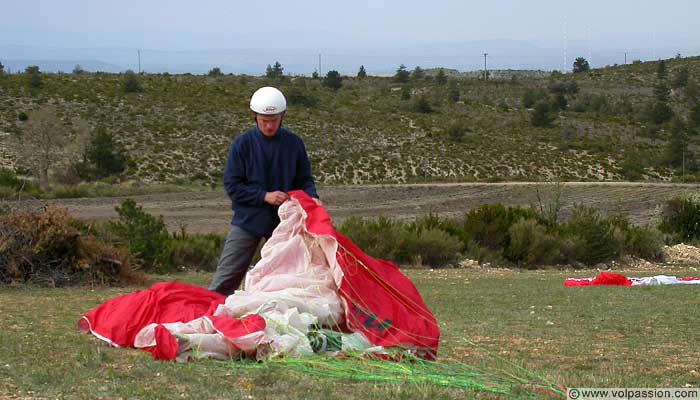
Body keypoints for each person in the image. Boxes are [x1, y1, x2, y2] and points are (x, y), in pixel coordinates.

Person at [209, 86, 319, 295]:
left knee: (284, 281)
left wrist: (312, 198)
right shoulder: (242, 145)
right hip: (248, 221)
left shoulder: (294, 143)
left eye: (274, 120)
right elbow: (232, 185)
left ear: (282, 116)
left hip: (284, 225)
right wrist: (264, 196)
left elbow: (305, 179)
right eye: (264, 120)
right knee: (225, 279)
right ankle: (210, 315)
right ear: (255, 117)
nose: (269, 126)